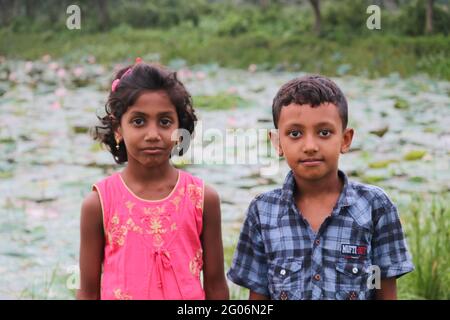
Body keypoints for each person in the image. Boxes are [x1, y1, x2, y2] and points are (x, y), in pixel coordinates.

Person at [227, 75, 414, 300]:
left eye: (324, 132)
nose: (310, 146)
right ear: (277, 142)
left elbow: (386, 293)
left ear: (345, 139)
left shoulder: (375, 206)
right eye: (295, 134)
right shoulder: (263, 211)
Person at [77, 59, 229, 300]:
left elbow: (216, 286)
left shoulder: (203, 199)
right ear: (118, 128)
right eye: (138, 121)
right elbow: (87, 293)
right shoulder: (98, 205)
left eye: (165, 122)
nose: (153, 134)